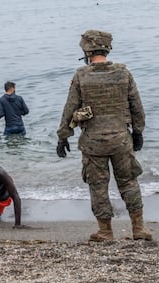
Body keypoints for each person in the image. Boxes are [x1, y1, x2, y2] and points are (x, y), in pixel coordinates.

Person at [56, 29, 152, 242]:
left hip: (93, 143)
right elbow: (137, 106)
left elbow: (70, 108)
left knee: (98, 186)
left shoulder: (81, 75)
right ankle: (139, 229)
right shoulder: (123, 73)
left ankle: (105, 231)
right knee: (128, 182)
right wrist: (138, 132)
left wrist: (63, 136)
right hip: (121, 139)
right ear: (107, 48)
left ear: (87, 50)